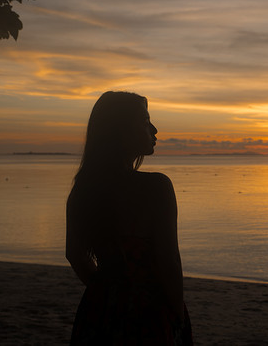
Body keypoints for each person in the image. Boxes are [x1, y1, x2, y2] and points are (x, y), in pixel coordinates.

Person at [66, 91, 193, 345]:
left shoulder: (83, 188)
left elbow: (75, 254)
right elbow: (170, 261)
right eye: (145, 121)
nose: (154, 129)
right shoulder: (157, 187)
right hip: (150, 314)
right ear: (121, 131)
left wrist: (107, 290)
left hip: (98, 313)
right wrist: (178, 315)